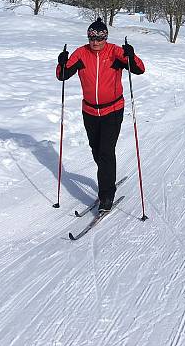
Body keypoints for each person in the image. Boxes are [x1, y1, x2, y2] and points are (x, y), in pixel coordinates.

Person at [56, 18, 146, 212]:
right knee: (96, 150)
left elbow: (139, 69)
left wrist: (131, 55)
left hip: (112, 110)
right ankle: (107, 176)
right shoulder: (81, 53)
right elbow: (62, 75)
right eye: (92, 38)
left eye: (99, 38)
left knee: (105, 152)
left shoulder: (114, 52)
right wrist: (61, 63)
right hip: (89, 111)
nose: (95, 42)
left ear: (106, 38)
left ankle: (106, 195)